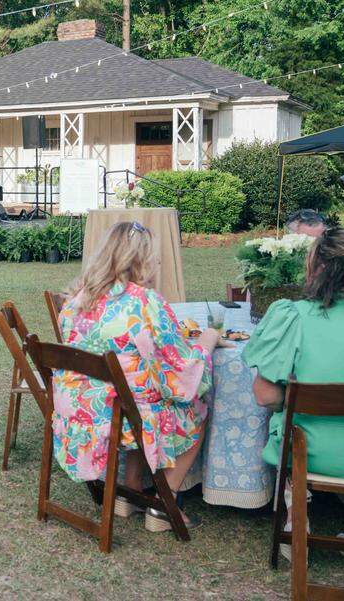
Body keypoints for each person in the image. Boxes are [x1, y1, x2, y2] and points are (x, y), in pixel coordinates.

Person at [55, 221, 217, 531]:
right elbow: (180, 371)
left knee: (137, 393)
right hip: (121, 415)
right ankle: (164, 504)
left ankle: (129, 492)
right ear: (141, 259)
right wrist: (208, 341)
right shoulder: (144, 302)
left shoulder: (76, 300)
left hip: (80, 414)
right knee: (195, 406)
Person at [244, 229, 344, 562]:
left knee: (290, 426)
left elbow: (265, 396)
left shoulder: (294, 316)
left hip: (309, 454)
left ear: (318, 268)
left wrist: (294, 398)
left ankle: (296, 524)